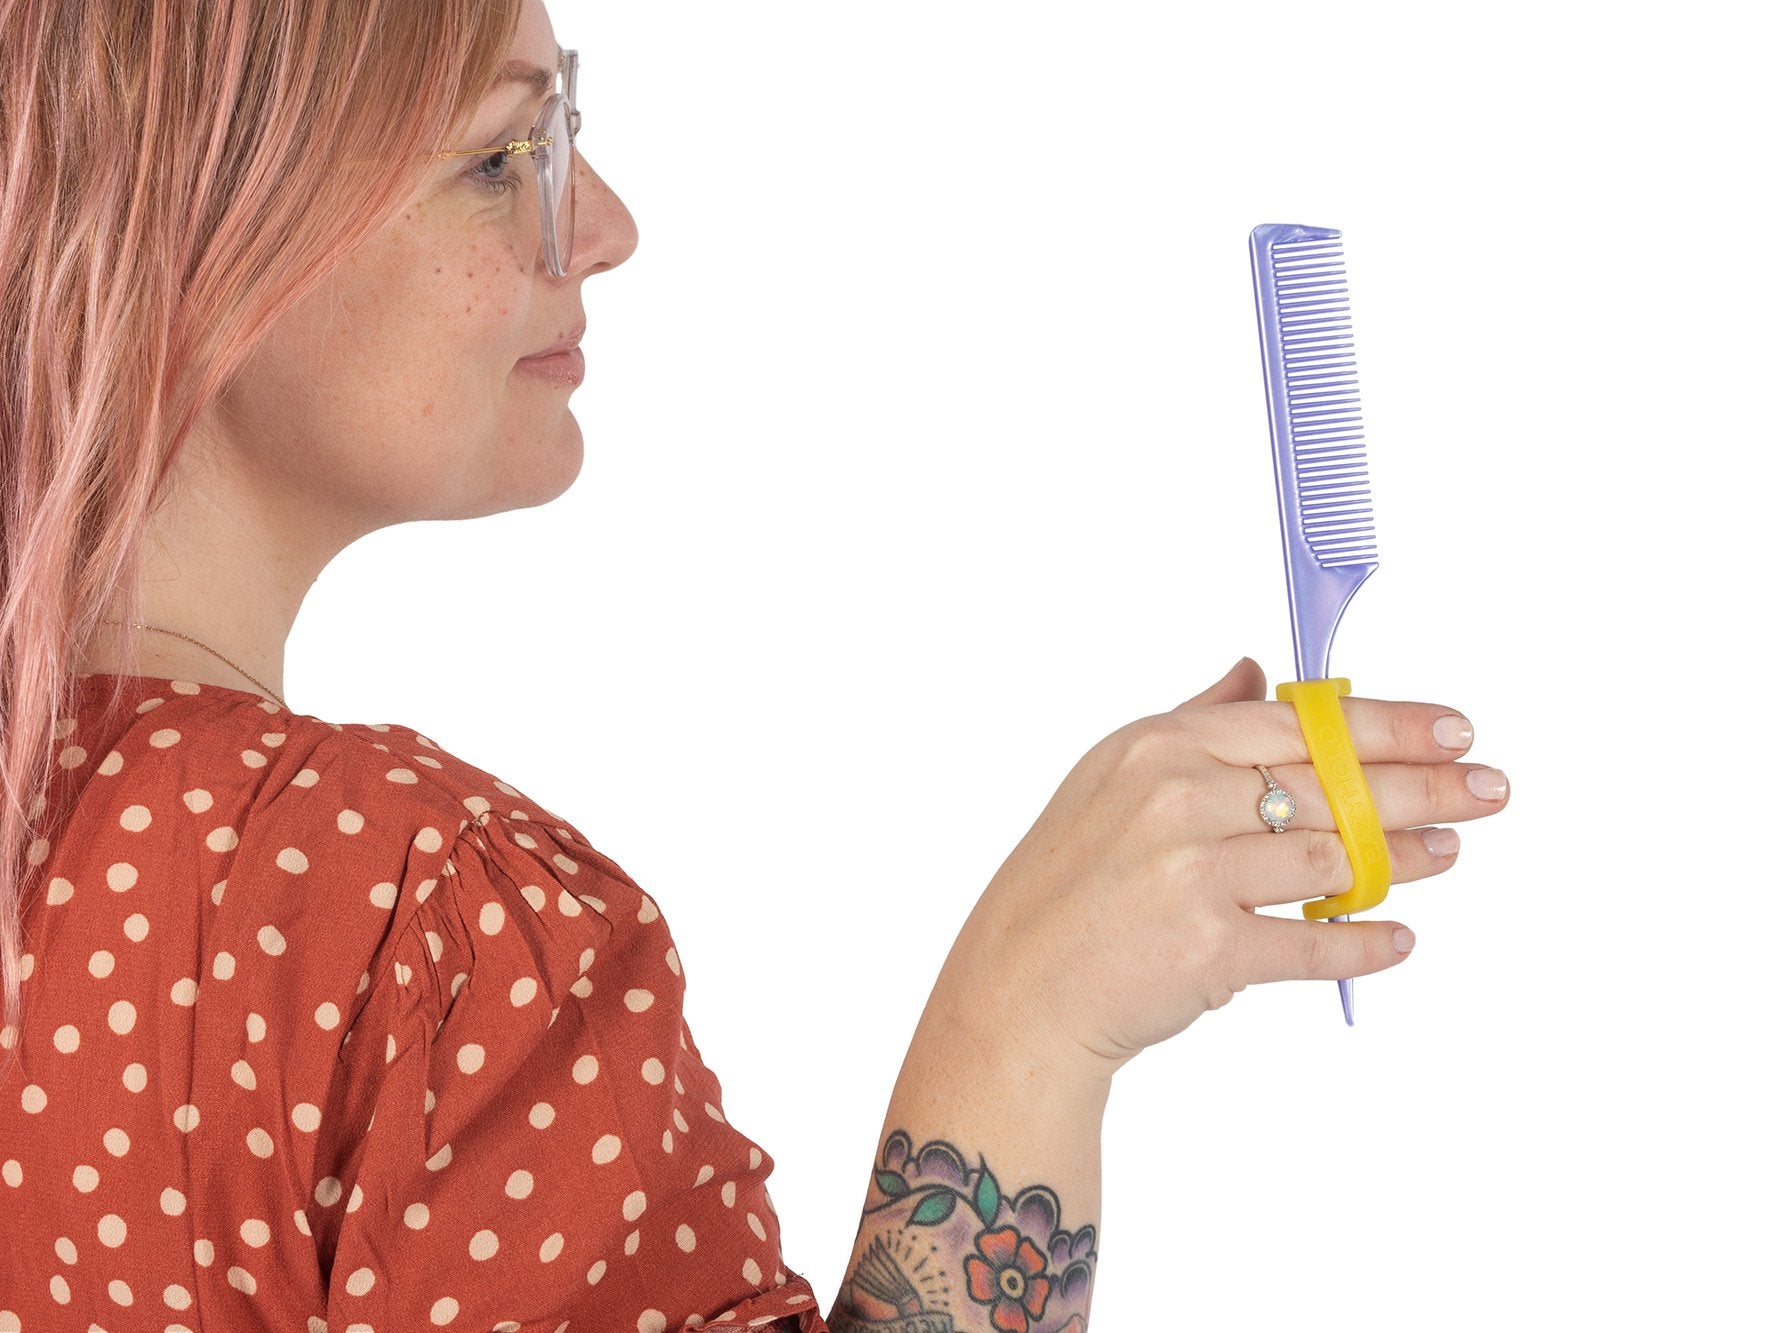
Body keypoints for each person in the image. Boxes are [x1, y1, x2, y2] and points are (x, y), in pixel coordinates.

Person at [0, 0, 1511, 1327]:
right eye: (498, 161)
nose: (601, 221)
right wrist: (1029, 1009)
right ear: (203, 235)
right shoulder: (417, 916)